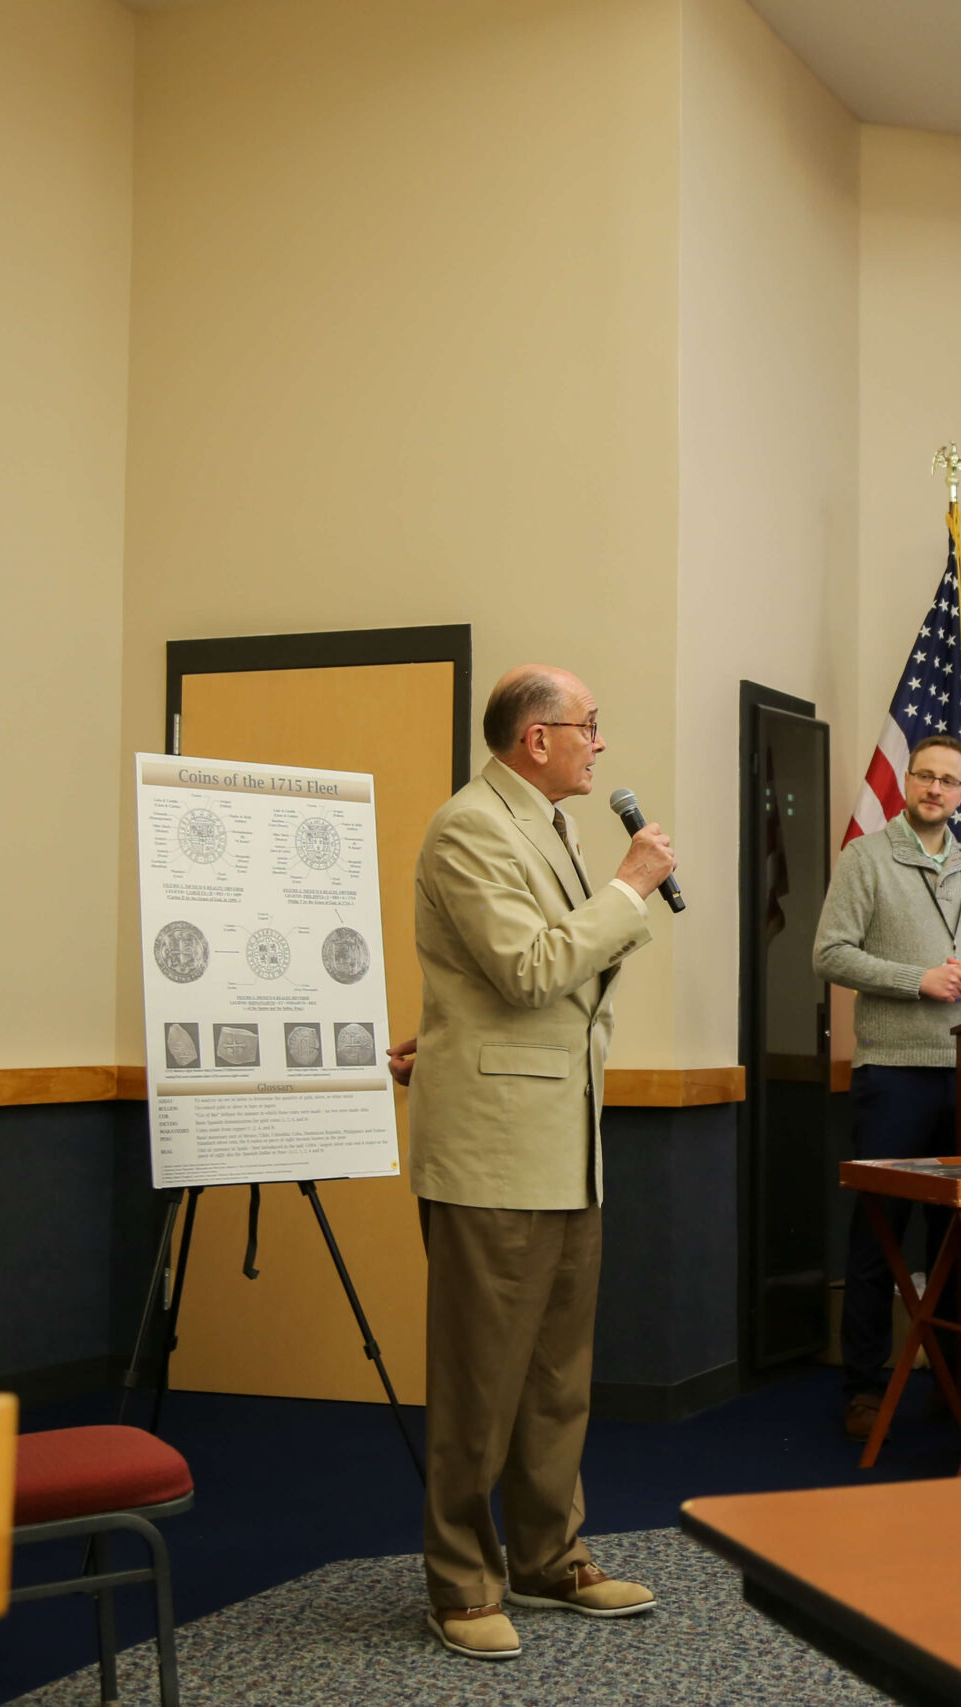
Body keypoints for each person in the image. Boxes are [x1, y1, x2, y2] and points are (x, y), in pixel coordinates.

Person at [384, 664, 676, 1661]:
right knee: (482, 1381)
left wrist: (612, 896)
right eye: (589, 724)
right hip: (494, 1148)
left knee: (556, 1377)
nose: (601, 742)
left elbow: (540, 975)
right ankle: (463, 1582)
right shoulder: (468, 826)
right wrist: (629, 889)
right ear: (535, 738)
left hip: (564, 1140)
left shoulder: (552, 827)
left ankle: (550, 1557)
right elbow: (528, 970)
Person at [812, 732, 961, 1441]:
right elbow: (830, 953)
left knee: (956, 1238)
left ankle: (953, 1380)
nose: (935, 789)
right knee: (880, 1235)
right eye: (924, 776)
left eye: (948, 781)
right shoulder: (865, 857)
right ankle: (863, 1389)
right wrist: (917, 979)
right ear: (906, 782)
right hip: (893, 1074)